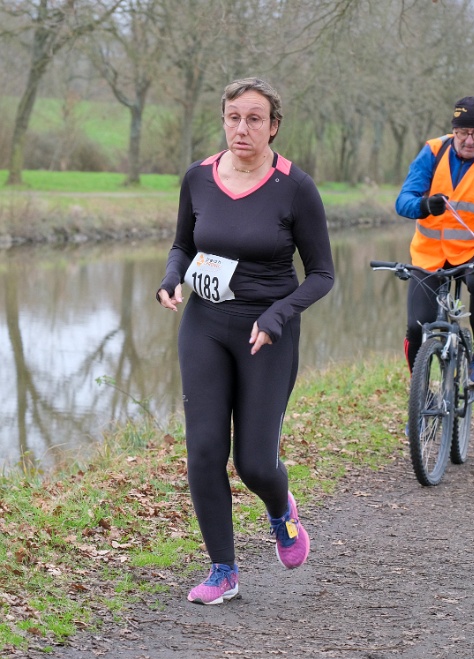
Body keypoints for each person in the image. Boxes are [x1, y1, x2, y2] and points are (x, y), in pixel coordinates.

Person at [156, 77, 334, 605]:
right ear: (223, 120)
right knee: (204, 450)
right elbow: (183, 245)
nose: (242, 128)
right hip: (205, 324)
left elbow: (322, 274)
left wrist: (278, 315)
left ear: (273, 127)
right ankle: (223, 571)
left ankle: (282, 511)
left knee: (254, 463)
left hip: (266, 332)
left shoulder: (295, 187)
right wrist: (172, 277)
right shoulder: (199, 177)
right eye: (233, 117)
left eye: (254, 119)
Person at [396, 95, 474, 387]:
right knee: (415, 326)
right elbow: (403, 201)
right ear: (453, 131)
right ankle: (419, 392)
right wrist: (424, 205)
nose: (469, 140)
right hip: (428, 255)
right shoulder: (433, 151)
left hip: (472, 251)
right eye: (463, 132)